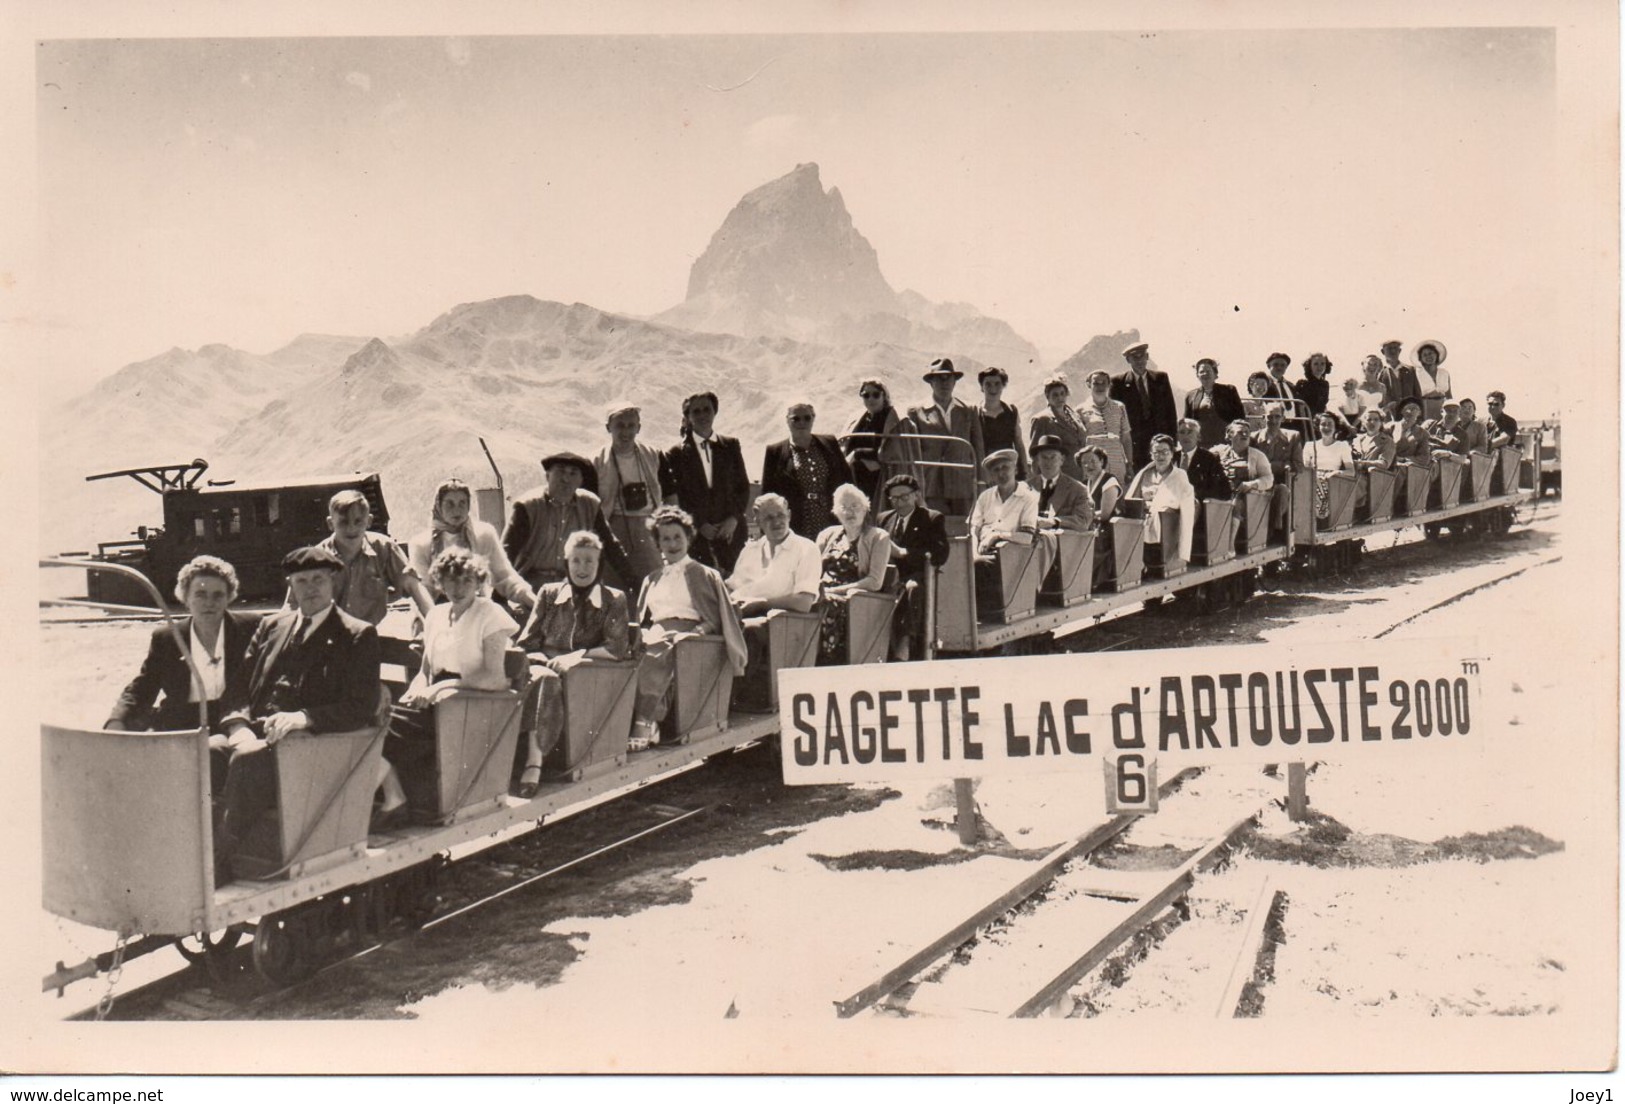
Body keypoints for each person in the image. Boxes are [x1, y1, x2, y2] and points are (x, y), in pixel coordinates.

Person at [216, 547, 382, 879]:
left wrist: (304, 718)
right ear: (290, 584)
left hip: (313, 746)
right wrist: (238, 727)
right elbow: (237, 687)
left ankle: (220, 859)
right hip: (257, 736)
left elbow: (360, 706)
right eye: (301, 580)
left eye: (318, 579)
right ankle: (206, 845)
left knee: (248, 763)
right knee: (206, 752)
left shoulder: (356, 634)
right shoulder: (271, 626)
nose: (310, 588)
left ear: (333, 581)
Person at [380, 548, 520, 826]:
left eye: (467, 580)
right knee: (372, 721)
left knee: (377, 730)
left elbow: (494, 678)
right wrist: (416, 690)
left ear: (479, 583)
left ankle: (395, 800)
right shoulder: (436, 615)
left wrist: (441, 689)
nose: (458, 588)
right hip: (436, 706)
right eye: (451, 580)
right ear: (439, 583)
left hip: (471, 706)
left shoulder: (490, 614)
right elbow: (425, 672)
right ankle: (393, 796)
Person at [106, 556, 261, 798]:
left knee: (215, 753)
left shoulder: (251, 628)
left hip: (233, 722)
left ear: (229, 597)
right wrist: (117, 721)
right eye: (200, 594)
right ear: (185, 597)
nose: (209, 602)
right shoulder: (167, 637)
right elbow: (143, 686)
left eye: (218, 595)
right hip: (181, 723)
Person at [513, 531, 632, 798]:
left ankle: (534, 762)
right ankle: (532, 758)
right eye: (576, 560)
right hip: (543, 667)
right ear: (566, 563)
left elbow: (617, 648)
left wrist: (576, 657)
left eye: (589, 561)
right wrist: (545, 660)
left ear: (599, 563)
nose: (582, 568)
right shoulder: (548, 594)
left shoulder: (614, 599)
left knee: (550, 679)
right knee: (545, 678)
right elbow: (527, 643)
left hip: (587, 677)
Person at [630, 507, 747, 751]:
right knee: (632, 649)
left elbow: (717, 618)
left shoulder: (703, 574)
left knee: (658, 648)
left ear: (688, 538)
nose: (672, 544)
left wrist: (697, 633)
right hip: (656, 634)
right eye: (665, 538)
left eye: (677, 537)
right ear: (657, 543)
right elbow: (644, 620)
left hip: (690, 639)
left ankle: (646, 721)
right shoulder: (652, 578)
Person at [726, 492, 822, 707]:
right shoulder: (750, 550)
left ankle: (728, 700)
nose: (777, 522)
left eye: (780, 514)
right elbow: (733, 586)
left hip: (785, 622)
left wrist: (761, 604)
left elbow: (803, 602)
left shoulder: (806, 548)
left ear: (789, 514)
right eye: (769, 518)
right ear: (757, 521)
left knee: (746, 631)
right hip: (742, 612)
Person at [297, 489, 432, 626]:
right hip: (327, 637)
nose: (351, 528)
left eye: (358, 521)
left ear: (369, 521)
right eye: (343, 522)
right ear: (331, 523)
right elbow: (292, 608)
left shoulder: (385, 548)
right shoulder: (315, 559)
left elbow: (414, 587)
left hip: (370, 635)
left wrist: (436, 624)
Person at [504, 451, 633, 591]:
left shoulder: (590, 504)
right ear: (547, 476)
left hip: (575, 584)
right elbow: (507, 551)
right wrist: (500, 598)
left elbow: (610, 547)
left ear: (581, 481)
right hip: (531, 584)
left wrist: (634, 584)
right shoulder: (528, 505)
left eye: (573, 473)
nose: (566, 479)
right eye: (560, 471)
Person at [408, 478, 536, 614]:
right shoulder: (421, 543)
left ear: (469, 505)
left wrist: (533, 601)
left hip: (477, 607)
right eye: (449, 504)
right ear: (438, 506)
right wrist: (435, 623)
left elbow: (504, 576)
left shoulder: (484, 535)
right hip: (438, 610)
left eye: (462, 503)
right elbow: (423, 591)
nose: (457, 510)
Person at [661, 391, 751, 575]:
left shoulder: (730, 445)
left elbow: (742, 486)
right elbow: (678, 496)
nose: (702, 415)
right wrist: (699, 524)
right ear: (688, 416)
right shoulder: (675, 454)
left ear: (714, 412)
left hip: (731, 532)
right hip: (698, 536)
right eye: (696, 411)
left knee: (736, 582)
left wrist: (733, 518)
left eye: (707, 410)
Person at [814, 484, 893, 664]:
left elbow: (874, 582)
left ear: (865, 508)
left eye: (855, 506)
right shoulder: (827, 535)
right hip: (821, 592)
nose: (850, 512)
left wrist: (835, 591)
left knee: (828, 603)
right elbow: (810, 569)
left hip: (854, 599)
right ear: (836, 511)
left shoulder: (878, 537)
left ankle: (828, 661)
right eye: (844, 507)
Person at [596, 403, 671, 587]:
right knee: (614, 586)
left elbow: (670, 495)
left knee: (654, 583)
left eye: (631, 426)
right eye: (620, 426)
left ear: (639, 427)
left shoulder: (654, 455)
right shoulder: (596, 460)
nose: (626, 431)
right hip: (612, 527)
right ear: (608, 428)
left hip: (648, 527)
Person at [877, 474, 948, 661]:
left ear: (916, 495)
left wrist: (902, 552)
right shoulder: (884, 519)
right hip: (888, 574)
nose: (899, 503)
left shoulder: (931, 518)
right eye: (894, 498)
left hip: (917, 574)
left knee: (912, 589)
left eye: (904, 497)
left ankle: (906, 642)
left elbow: (940, 554)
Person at [761, 401, 855, 540]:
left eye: (807, 418)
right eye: (795, 418)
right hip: (797, 521)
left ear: (813, 418)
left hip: (831, 516)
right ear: (787, 421)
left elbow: (847, 480)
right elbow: (768, 493)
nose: (802, 422)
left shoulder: (829, 443)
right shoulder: (775, 451)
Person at [904, 358, 985, 515]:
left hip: (963, 486)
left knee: (964, 531)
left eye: (949, 379)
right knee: (935, 531)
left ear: (955, 382)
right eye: (939, 379)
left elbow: (978, 447)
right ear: (931, 382)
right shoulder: (916, 412)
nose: (944, 383)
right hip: (931, 486)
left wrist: (981, 482)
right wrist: (914, 487)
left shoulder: (969, 410)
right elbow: (912, 452)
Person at [969, 449, 1040, 613]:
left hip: (1010, 554)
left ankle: (985, 614)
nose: (1001, 473)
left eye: (1005, 467)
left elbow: (1027, 538)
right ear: (991, 476)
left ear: (1015, 469)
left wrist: (997, 535)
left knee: (978, 567)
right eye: (996, 470)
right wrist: (973, 553)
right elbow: (974, 530)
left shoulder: (1028, 498)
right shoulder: (985, 497)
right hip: (981, 552)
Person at [1028, 435, 1093, 594]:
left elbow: (1083, 521)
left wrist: (1054, 522)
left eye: (1053, 457)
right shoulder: (1025, 488)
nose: (1048, 462)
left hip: (1061, 553)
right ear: (1037, 460)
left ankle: (1033, 590)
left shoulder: (1078, 489)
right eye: (1044, 457)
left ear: (1062, 460)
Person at [1125, 435, 1197, 563]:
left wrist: (1183, 550)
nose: (1161, 456)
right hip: (1143, 518)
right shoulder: (1145, 473)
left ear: (1172, 454)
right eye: (1156, 452)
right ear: (1151, 455)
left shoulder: (1180, 476)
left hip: (1167, 521)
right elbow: (1132, 498)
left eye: (1165, 452)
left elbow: (1187, 509)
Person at [842, 379, 912, 505]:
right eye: (866, 395)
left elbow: (891, 452)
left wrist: (857, 454)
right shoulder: (858, 419)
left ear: (884, 395)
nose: (870, 399)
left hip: (883, 476)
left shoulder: (895, 419)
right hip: (858, 475)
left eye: (875, 394)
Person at [1111, 341, 1178, 472]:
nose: (1139, 361)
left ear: (1147, 357)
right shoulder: (1118, 382)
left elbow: (1170, 411)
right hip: (1134, 443)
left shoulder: (1161, 378)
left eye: (1142, 356)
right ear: (1128, 360)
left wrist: (1173, 443)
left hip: (1160, 440)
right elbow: (1116, 417)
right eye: (1134, 357)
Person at [1027, 373, 1090, 482]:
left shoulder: (1073, 415)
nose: (1060, 398)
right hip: (1059, 476)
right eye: (1055, 395)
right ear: (1048, 396)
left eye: (1062, 393)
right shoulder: (1042, 419)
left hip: (1081, 474)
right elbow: (1035, 453)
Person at [1078, 368, 1134, 485]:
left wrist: (1129, 463)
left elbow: (1126, 437)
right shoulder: (1080, 410)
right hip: (1093, 459)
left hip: (1116, 458)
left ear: (1109, 384)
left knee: (1118, 491)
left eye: (1103, 383)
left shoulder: (1119, 407)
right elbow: (1079, 440)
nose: (1100, 386)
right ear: (1089, 385)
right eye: (1096, 383)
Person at [976, 366, 1028, 482]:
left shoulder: (1011, 411)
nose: (992, 388)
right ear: (981, 387)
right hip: (987, 470)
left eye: (997, 383)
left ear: (1003, 386)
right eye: (988, 384)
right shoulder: (976, 413)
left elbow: (1018, 442)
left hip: (1008, 467)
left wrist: (1024, 472)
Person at [1303, 412, 1356, 520]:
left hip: (1333, 481)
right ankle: (1314, 514)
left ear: (1335, 427)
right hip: (1313, 480)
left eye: (1330, 424)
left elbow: (1351, 471)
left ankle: (1320, 514)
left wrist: (1336, 473)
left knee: (1320, 483)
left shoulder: (1342, 446)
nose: (1326, 427)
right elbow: (1305, 470)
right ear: (1318, 427)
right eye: (1323, 424)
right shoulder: (1309, 446)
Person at [1183, 358, 1246, 447]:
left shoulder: (1229, 391)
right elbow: (1187, 422)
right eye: (1201, 372)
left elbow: (1240, 417)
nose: (1205, 374)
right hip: (1202, 442)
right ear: (1197, 375)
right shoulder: (1191, 396)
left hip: (1225, 441)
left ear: (1215, 374)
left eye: (1208, 371)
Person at [1212, 420, 1275, 496]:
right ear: (1230, 435)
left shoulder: (1258, 456)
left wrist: (1251, 484)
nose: (1244, 434)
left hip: (1248, 500)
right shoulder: (1218, 452)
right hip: (1220, 497)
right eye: (1240, 432)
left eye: (1247, 432)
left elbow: (1268, 479)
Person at [1174, 418, 1232, 501]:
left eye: (1190, 432)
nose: (1185, 436)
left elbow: (1224, 490)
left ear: (1199, 437)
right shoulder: (1172, 458)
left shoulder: (1209, 459)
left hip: (1198, 505)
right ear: (1177, 437)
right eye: (1182, 432)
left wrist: (1196, 493)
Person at [1379, 339, 1422, 417]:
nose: (1393, 351)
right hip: (1388, 417)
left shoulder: (1410, 370)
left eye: (1395, 348)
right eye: (1389, 348)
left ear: (1400, 351)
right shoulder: (1380, 373)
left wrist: (1419, 417)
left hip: (1409, 416)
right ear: (1382, 351)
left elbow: (1417, 395)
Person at [1391, 397, 1434, 469]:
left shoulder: (1423, 434)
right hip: (1388, 464)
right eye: (1408, 408)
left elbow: (1424, 458)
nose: (1410, 411)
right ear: (1402, 411)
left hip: (1408, 470)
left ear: (1419, 412)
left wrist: (1403, 459)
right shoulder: (1390, 427)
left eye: (1414, 408)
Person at [1415, 339, 1453, 418]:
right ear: (1420, 358)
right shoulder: (1416, 373)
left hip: (1443, 406)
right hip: (1424, 406)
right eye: (1424, 355)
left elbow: (1449, 395)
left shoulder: (1444, 373)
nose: (1428, 356)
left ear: (1436, 355)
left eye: (1430, 353)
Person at [1294, 352, 1333, 418]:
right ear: (1309, 366)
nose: (1319, 367)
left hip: (1320, 420)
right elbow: (1300, 407)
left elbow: (1323, 406)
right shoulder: (1303, 384)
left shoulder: (1325, 384)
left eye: (1322, 364)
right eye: (1316, 364)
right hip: (1307, 421)